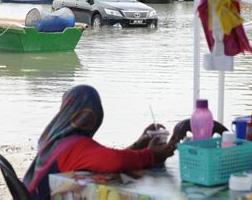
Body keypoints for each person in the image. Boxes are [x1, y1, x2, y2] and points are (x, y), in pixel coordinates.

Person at [23, 85, 176, 200]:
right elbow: (115, 161)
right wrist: (150, 155)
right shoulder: (76, 145)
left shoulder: (54, 138)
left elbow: (101, 160)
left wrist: (138, 145)